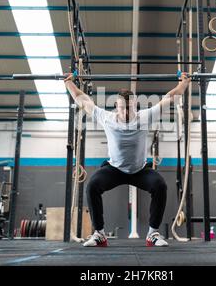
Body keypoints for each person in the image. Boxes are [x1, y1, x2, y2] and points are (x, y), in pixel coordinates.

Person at [64, 72, 191, 247]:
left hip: (140, 170)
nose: (126, 111)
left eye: (129, 107)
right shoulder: (107, 118)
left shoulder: (145, 116)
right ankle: (99, 233)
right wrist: (69, 82)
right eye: (122, 108)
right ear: (116, 106)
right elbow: (82, 99)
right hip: (114, 169)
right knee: (92, 185)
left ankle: (152, 233)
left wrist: (183, 83)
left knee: (160, 185)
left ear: (135, 106)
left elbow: (170, 98)